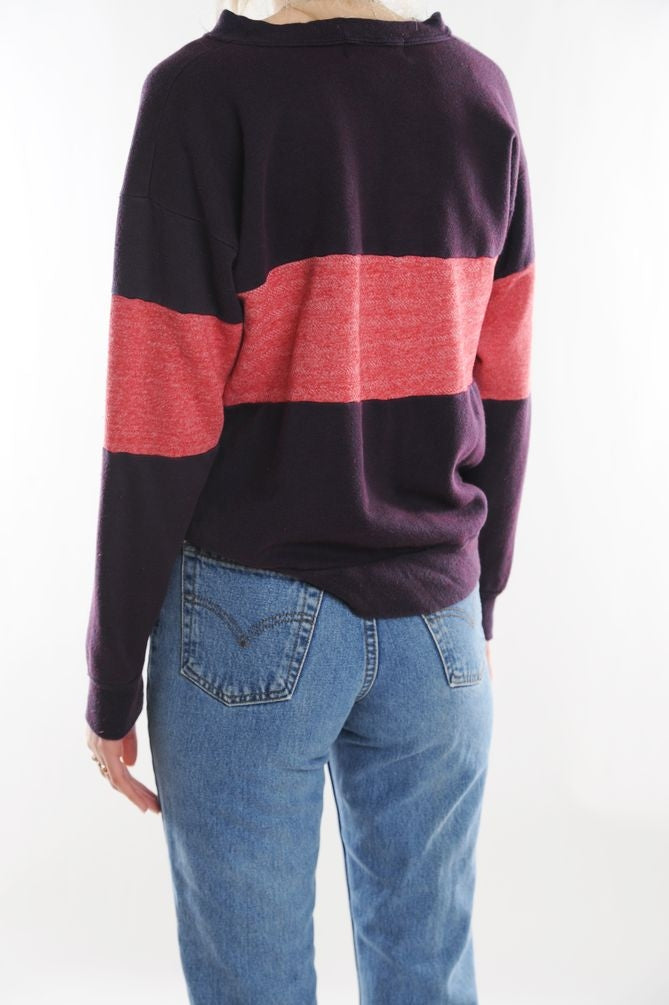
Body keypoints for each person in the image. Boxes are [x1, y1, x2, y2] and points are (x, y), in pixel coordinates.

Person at [84, 0, 534, 1000]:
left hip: (245, 613)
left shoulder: (200, 96)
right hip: (437, 623)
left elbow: (157, 417)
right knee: (428, 973)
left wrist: (111, 677)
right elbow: (503, 386)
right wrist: (479, 604)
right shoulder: (477, 96)